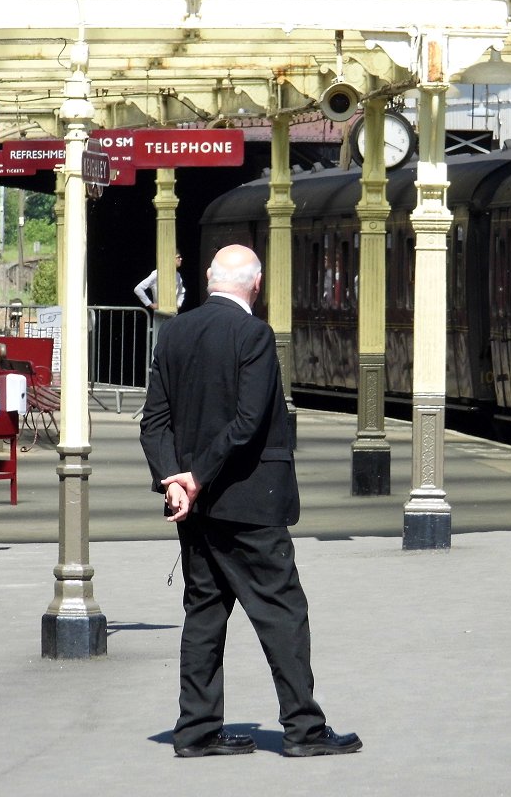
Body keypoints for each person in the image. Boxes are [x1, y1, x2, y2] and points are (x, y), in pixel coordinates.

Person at [138, 244, 362, 759]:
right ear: (256, 285)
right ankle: (304, 729)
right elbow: (247, 423)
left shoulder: (174, 332)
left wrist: (174, 479)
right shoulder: (254, 335)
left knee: (204, 613)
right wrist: (195, 477)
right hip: (248, 501)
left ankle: (196, 730)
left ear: (210, 278)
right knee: (282, 612)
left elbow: (154, 422)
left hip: (193, 509)